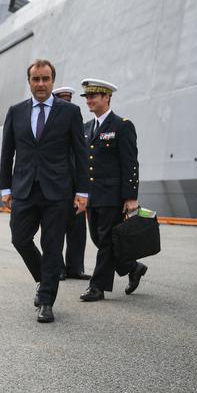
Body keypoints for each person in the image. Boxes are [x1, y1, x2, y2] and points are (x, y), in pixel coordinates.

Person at [0, 60, 89, 324]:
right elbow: (7, 153)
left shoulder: (69, 112)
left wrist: (83, 192)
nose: (41, 84)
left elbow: (81, 154)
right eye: (36, 79)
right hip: (24, 189)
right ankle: (43, 279)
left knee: (52, 246)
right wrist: (6, 188)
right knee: (19, 238)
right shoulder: (16, 112)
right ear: (29, 81)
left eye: (45, 79)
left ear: (52, 81)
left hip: (58, 191)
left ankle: (47, 301)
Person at [77, 79, 146, 302]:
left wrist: (131, 196)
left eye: (94, 96)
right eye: (87, 97)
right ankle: (133, 267)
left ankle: (98, 287)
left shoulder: (122, 125)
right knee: (98, 238)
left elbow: (130, 163)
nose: (89, 100)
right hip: (93, 195)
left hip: (112, 195)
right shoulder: (87, 128)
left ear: (107, 97)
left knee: (106, 240)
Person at [52, 86, 90, 281]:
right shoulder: (50, 127)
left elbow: (83, 158)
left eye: (68, 99)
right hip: (57, 187)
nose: (66, 102)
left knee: (77, 230)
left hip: (75, 186)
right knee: (55, 229)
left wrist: (83, 189)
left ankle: (75, 268)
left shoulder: (78, 125)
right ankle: (57, 268)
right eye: (62, 99)